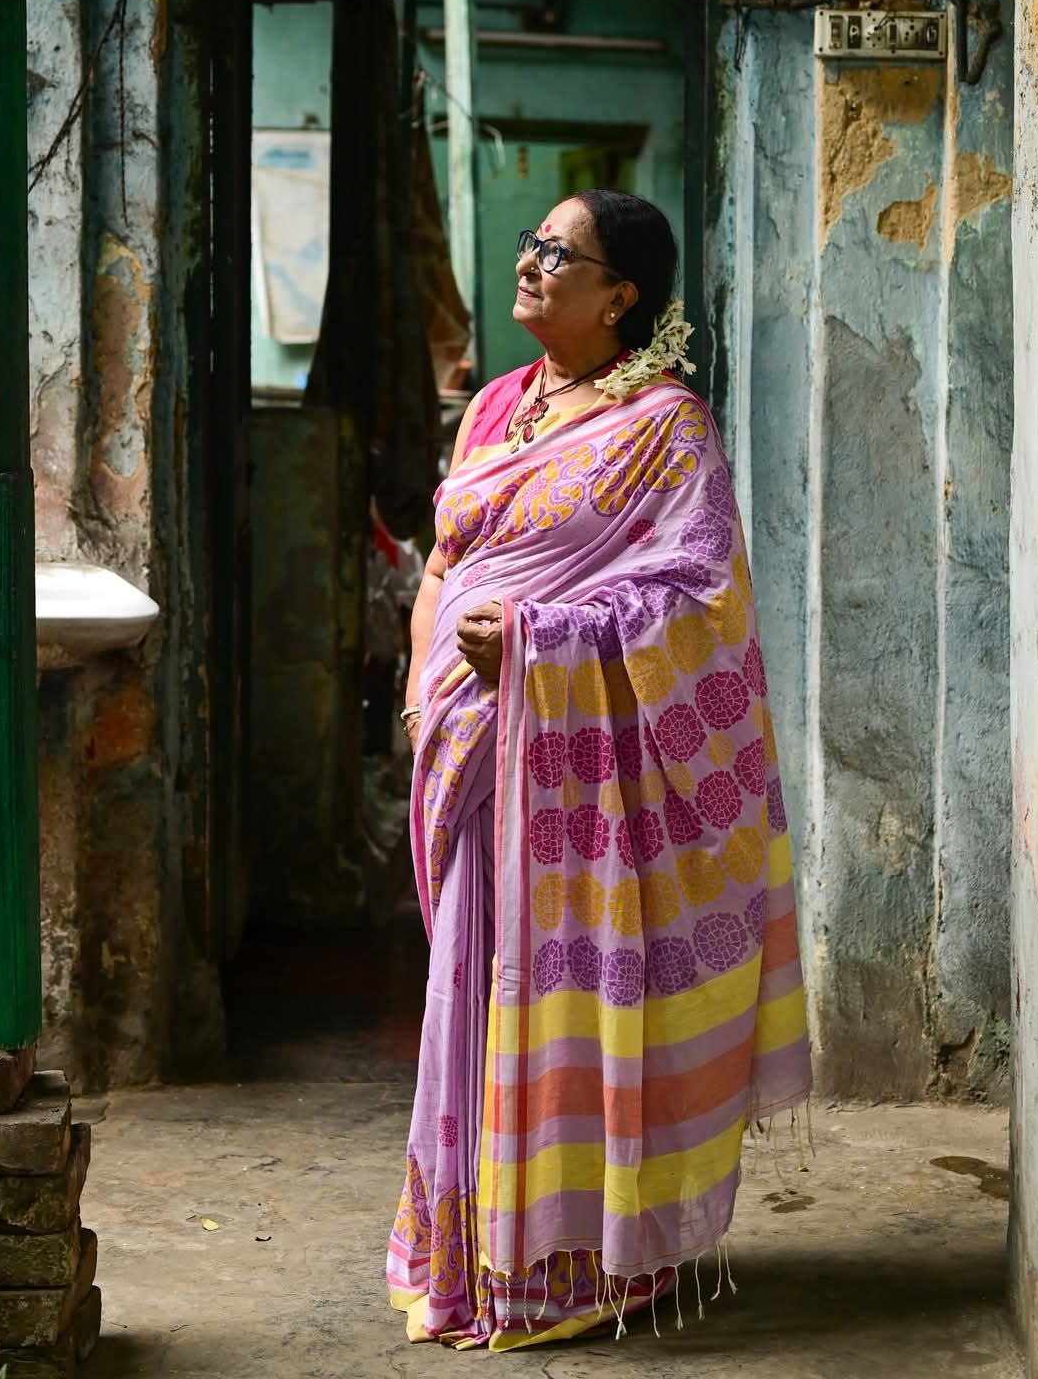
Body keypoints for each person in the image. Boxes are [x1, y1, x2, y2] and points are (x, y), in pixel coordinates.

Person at [387, 190, 812, 1351]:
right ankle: (473, 1248)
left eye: (554, 252)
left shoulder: (665, 427)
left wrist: (539, 645)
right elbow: (446, 559)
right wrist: (430, 689)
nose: (527, 262)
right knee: (471, 995)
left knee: (555, 990)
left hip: (574, 778)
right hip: (472, 750)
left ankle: (580, 1255)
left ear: (617, 294)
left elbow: (698, 600)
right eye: (530, 242)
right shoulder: (491, 409)